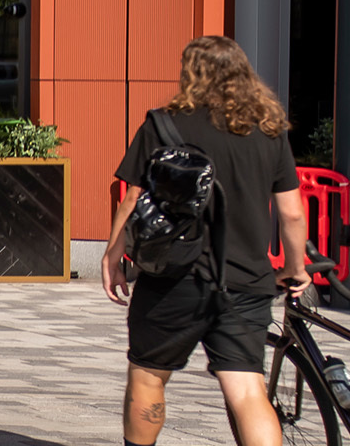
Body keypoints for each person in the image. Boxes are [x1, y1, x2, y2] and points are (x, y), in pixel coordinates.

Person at [103, 35, 310, 446]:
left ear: (189, 74)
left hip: (174, 279)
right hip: (246, 282)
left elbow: (131, 197)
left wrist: (114, 255)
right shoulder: (270, 131)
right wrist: (295, 268)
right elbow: (291, 212)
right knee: (248, 390)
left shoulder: (163, 124)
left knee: (148, 374)